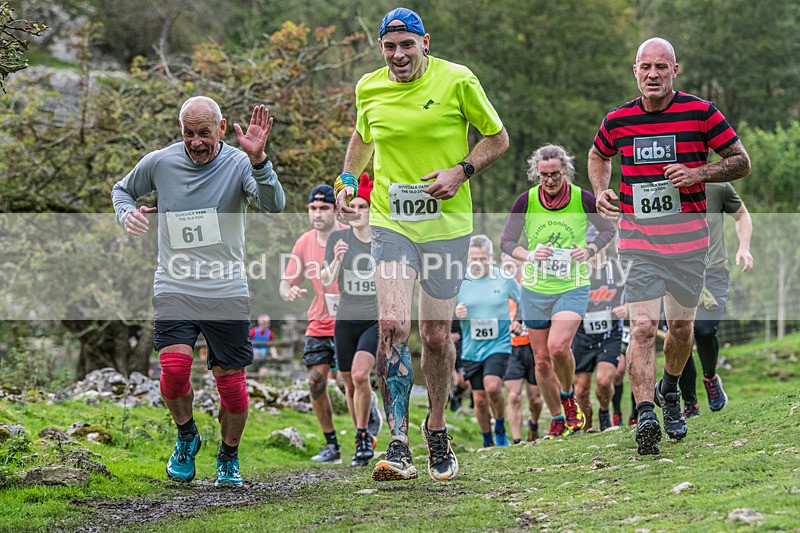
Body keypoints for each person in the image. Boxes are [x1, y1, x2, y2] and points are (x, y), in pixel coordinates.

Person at [335, 7, 509, 482]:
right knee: (391, 324)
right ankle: (398, 443)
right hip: (392, 223)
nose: (398, 55)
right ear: (381, 49)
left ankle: (436, 430)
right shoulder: (369, 88)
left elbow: (497, 138)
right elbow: (361, 135)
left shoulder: (458, 81)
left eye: (406, 45)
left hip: (448, 228)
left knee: (435, 336)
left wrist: (461, 171)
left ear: (424, 43)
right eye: (389, 47)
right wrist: (348, 179)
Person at [588, 37, 750, 455]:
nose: (653, 74)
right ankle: (645, 414)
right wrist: (602, 190)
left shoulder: (701, 113)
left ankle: (672, 390)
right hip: (639, 242)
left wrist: (699, 173)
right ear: (635, 71)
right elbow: (597, 154)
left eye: (662, 67)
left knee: (681, 329)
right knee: (642, 328)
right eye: (646, 67)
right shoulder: (618, 119)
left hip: (689, 245)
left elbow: (741, 160)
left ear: (675, 71)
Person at [111, 96, 285, 486]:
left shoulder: (240, 163)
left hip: (226, 288)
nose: (195, 142)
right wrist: (128, 214)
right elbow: (121, 191)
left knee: (233, 388)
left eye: (204, 133)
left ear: (221, 129)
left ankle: (228, 456)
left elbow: (275, 205)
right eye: (188, 133)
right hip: (174, 282)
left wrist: (259, 161)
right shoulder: (160, 162)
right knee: (173, 372)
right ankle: (187, 436)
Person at [501, 144, 615, 440]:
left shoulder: (582, 198)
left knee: (558, 347)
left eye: (554, 174)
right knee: (540, 360)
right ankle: (556, 417)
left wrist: (589, 249)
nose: (549, 180)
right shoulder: (525, 201)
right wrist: (528, 255)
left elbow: (607, 230)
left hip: (572, 284)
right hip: (536, 288)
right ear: (535, 174)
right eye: (543, 175)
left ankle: (567, 396)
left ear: (565, 170)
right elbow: (506, 241)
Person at [280, 184, 347, 464]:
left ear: (335, 209)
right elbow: (286, 282)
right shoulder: (305, 242)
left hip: (349, 323)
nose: (317, 214)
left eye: (323, 208)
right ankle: (331, 445)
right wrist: (289, 291)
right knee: (316, 383)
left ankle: (365, 437)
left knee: (350, 383)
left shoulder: (349, 236)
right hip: (319, 323)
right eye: (313, 209)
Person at [321, 173, 382, 467]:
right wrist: (335, 259)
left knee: (360, 376)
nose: (356, 211)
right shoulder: (338, 238)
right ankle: (363, 432)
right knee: (348, 383)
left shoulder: (382, 240)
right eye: (353, 206)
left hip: (374, 319)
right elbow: (325, 279)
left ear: (371, 210)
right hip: (345, 318)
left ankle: (362, 435)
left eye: (363, 206)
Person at [679, 184, 753, 417]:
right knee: (681, 337)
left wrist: (744, 247)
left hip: (713, 273)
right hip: (677, 274)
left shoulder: (718, 187)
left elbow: (741, 215)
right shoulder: (663, 186)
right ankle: (690, 402)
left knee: (704, 330)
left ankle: (710, 377)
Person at [455, 235, 519, 448]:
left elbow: (524, 301)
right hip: (472, 348)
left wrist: (518, 321)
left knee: (492, 388)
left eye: (483, 259)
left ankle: (500, 428)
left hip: (498, 344)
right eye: (474, 259)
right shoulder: (458, 282)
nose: (479, 263)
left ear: (491, 258)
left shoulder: (504, 278)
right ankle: (486, 440)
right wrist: (456, 313)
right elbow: (444, 313)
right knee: (480, 399)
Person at [571, 229, 627, 431]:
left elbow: (637, 293)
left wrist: (627, 308)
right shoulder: (575, 272)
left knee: (603, 382)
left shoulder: (617, 268)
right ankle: (587, 428)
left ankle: (604, 413)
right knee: (581, 390)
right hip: (582, 336)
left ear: (605, 245)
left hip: (609, 335)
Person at [502, 254, 544, 443]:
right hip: (510, 348)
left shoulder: (533, 285)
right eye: (506, 263)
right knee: (514, 396)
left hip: (533, 345)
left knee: (535, 398)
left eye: (515, 262)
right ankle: (517, 441)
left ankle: (533, 423)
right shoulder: (499, 288)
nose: (511, 266)